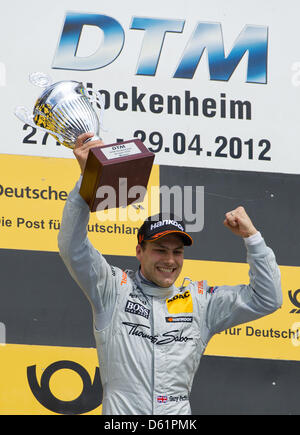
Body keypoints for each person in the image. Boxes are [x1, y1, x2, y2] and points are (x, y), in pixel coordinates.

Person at [58, 133, 282, 415]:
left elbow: (267, 298)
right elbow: (72, 247)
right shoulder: (113, 289)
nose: (170, 260)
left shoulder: (201, 301)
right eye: (160, 250)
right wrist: (88, 181)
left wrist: (252, 238)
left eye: (177, 252)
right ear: (139, 251)